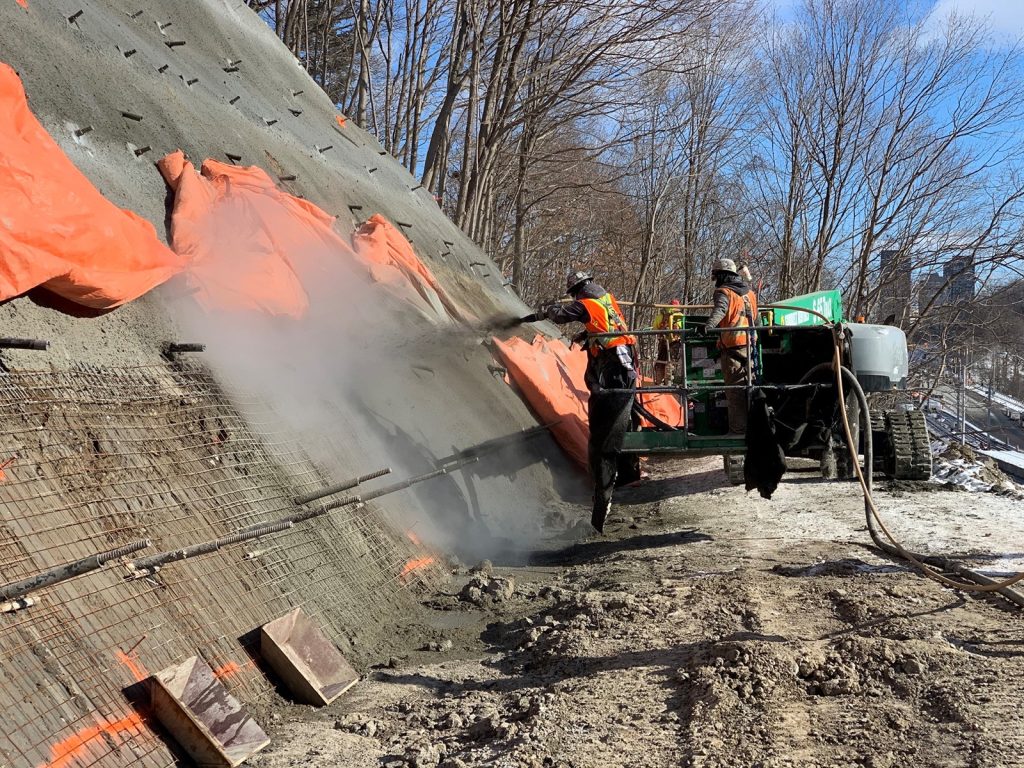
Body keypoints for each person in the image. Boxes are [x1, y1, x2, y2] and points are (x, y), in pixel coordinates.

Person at [525, 270, 639, 533]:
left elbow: (563, 316)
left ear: (577, 290)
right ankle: (617, 476)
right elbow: (605, 327)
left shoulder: (586, 302)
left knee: (607, 426)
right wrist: (587, 336)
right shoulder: (605, 298)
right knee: (610, 409)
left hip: (614, 364)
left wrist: (550, 310)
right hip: (621, 358)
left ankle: (607, 485)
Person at [703, 258, 757, 435]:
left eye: (716, 275)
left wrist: (707, 327)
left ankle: (738, 432)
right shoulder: (750, 294)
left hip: (733, 348)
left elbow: (720, 311)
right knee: (750, 389)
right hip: (750, 348)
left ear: (721, 275)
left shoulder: (724, 292)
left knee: (735, 393)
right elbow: (756, 319)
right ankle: (753, 428)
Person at [652, 298, 684, 384]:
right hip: (674, 343)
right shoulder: (680, 317)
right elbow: (683, 329)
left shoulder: (660, 316)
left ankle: (658, 382)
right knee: (670, 364)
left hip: (663, 342)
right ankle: (668, 384)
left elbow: (654, 329)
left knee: (660, 362)